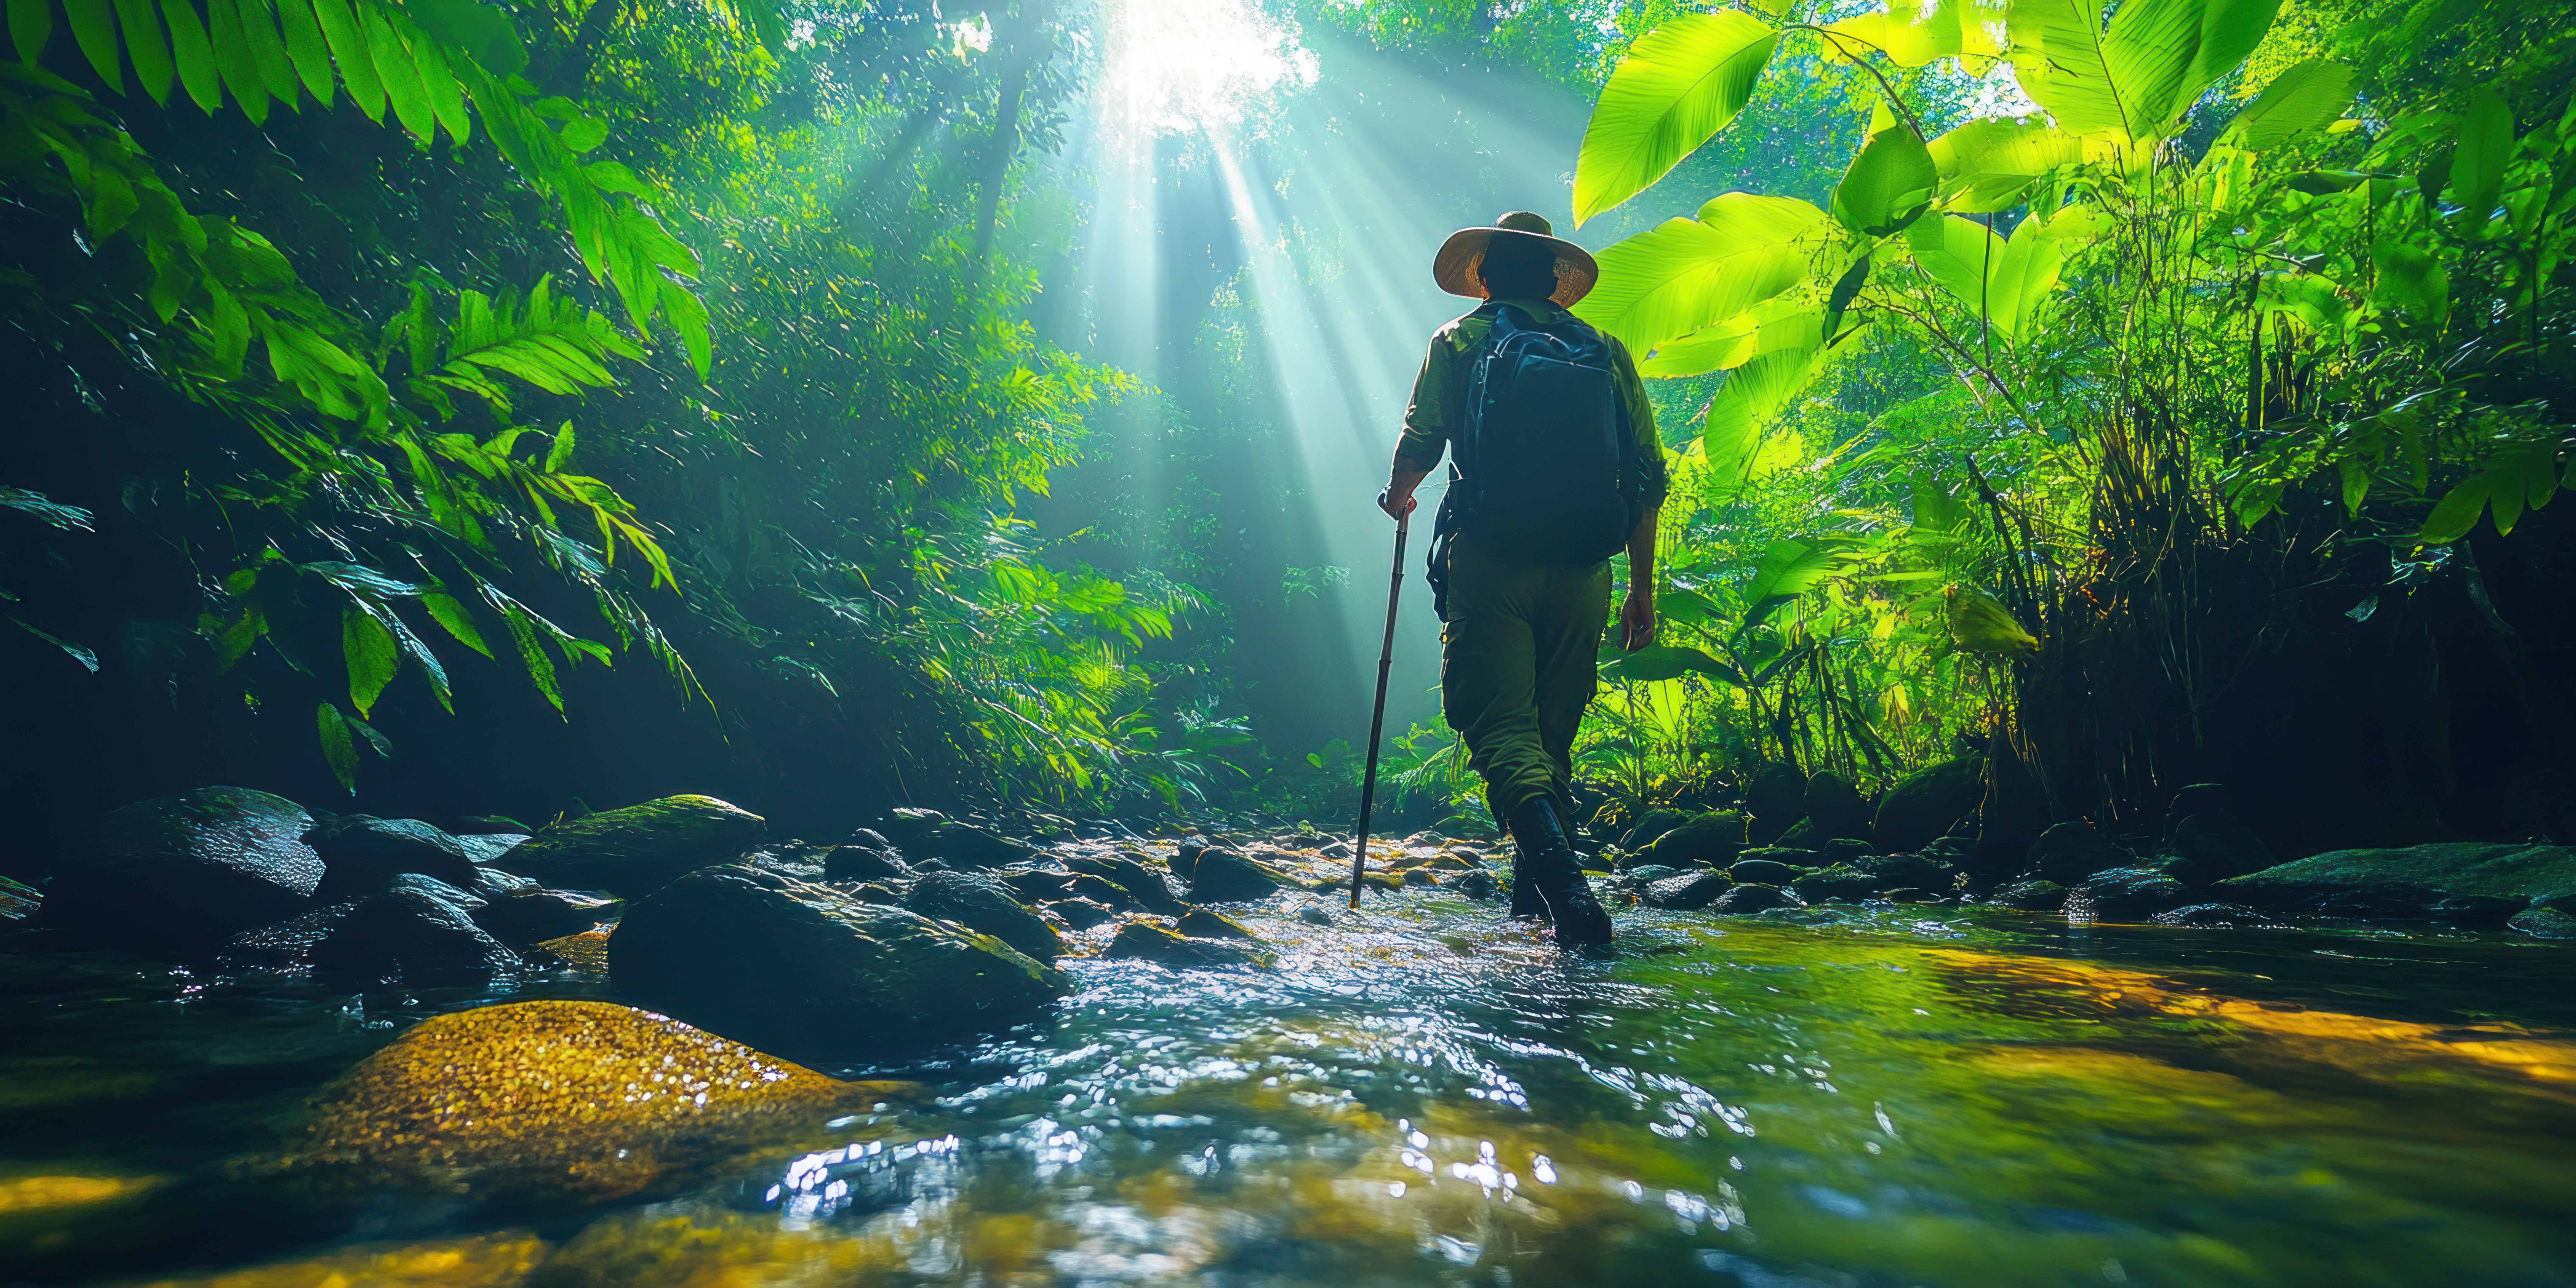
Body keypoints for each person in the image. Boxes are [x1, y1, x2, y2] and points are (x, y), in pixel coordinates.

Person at [1377, 211, 1666, 946]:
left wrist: (1401, 494)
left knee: (1501, 730)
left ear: (1482, 278)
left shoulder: (1462, 339)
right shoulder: (1602, 349)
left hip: (1493, 556)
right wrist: (1642, 587)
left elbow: (1421, 441)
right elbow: (1646, 478)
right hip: (1585, 570)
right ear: (1556, 286)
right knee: (1550, 741)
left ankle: (1571, 904)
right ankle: (1530, 913)